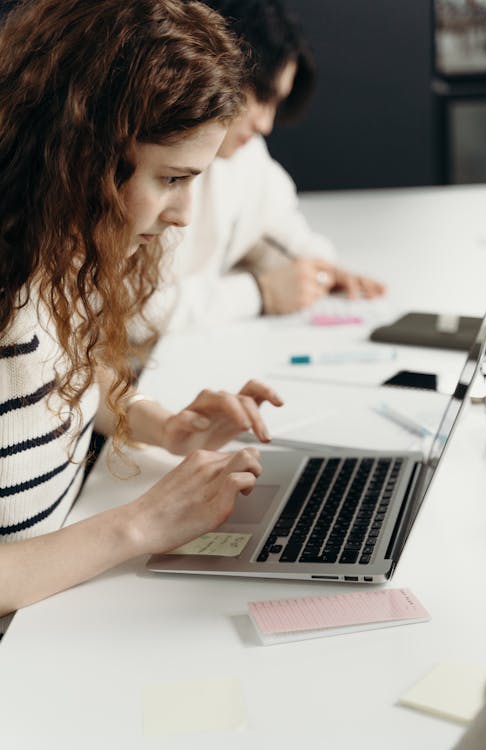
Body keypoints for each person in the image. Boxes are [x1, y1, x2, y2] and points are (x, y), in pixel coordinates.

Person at [0, 0, 284, 628]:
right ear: (82, 155)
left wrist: (158, 424)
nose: (183, 213)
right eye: (171, 179)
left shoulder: (66, 250)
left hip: (56, 612)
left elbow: (62, 379)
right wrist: (141, 523)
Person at [141, 0, 386, 333]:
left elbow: (278, 224)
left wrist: (320, 269)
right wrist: (260, 293)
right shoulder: (149, 156)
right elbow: (130, 312)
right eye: (262, 96)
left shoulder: (245, 156)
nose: (266, 124)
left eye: (277, 104)